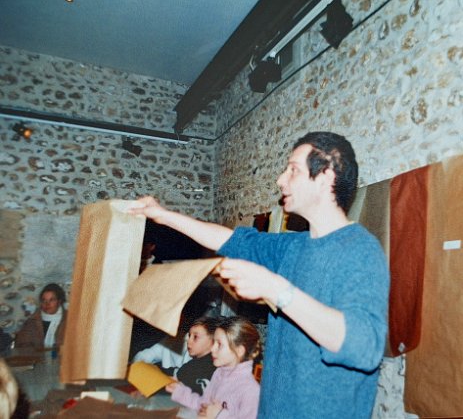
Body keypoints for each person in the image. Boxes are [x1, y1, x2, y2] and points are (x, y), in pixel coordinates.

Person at [131, 131, 390, 418]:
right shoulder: (291, 247)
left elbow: (363, 347)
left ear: (326, 176)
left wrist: (276, 289)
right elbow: (231, 240)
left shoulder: (360, 250)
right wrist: (163, 215)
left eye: (293, 170)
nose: (280, 179)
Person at [166, 316, 261, 418]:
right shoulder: (219, 373)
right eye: (214, 342)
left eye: (219, 344)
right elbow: (203, 406)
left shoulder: (251, 390)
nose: (212, 349)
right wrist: (180, 392)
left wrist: (219, 415)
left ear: (239, 351)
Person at [134, 316, 218, 395]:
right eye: (189, 336)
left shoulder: (212, 366)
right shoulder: (191, 364)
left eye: (195, 337)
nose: (188, 340)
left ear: (213, 342)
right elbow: (175, 376)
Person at [15, 283, 68, 350]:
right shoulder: (32, 321)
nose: (47, 304)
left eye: (51, 300)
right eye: (44, 300)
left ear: (59, 301)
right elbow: (21, 345)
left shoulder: (69, 320)